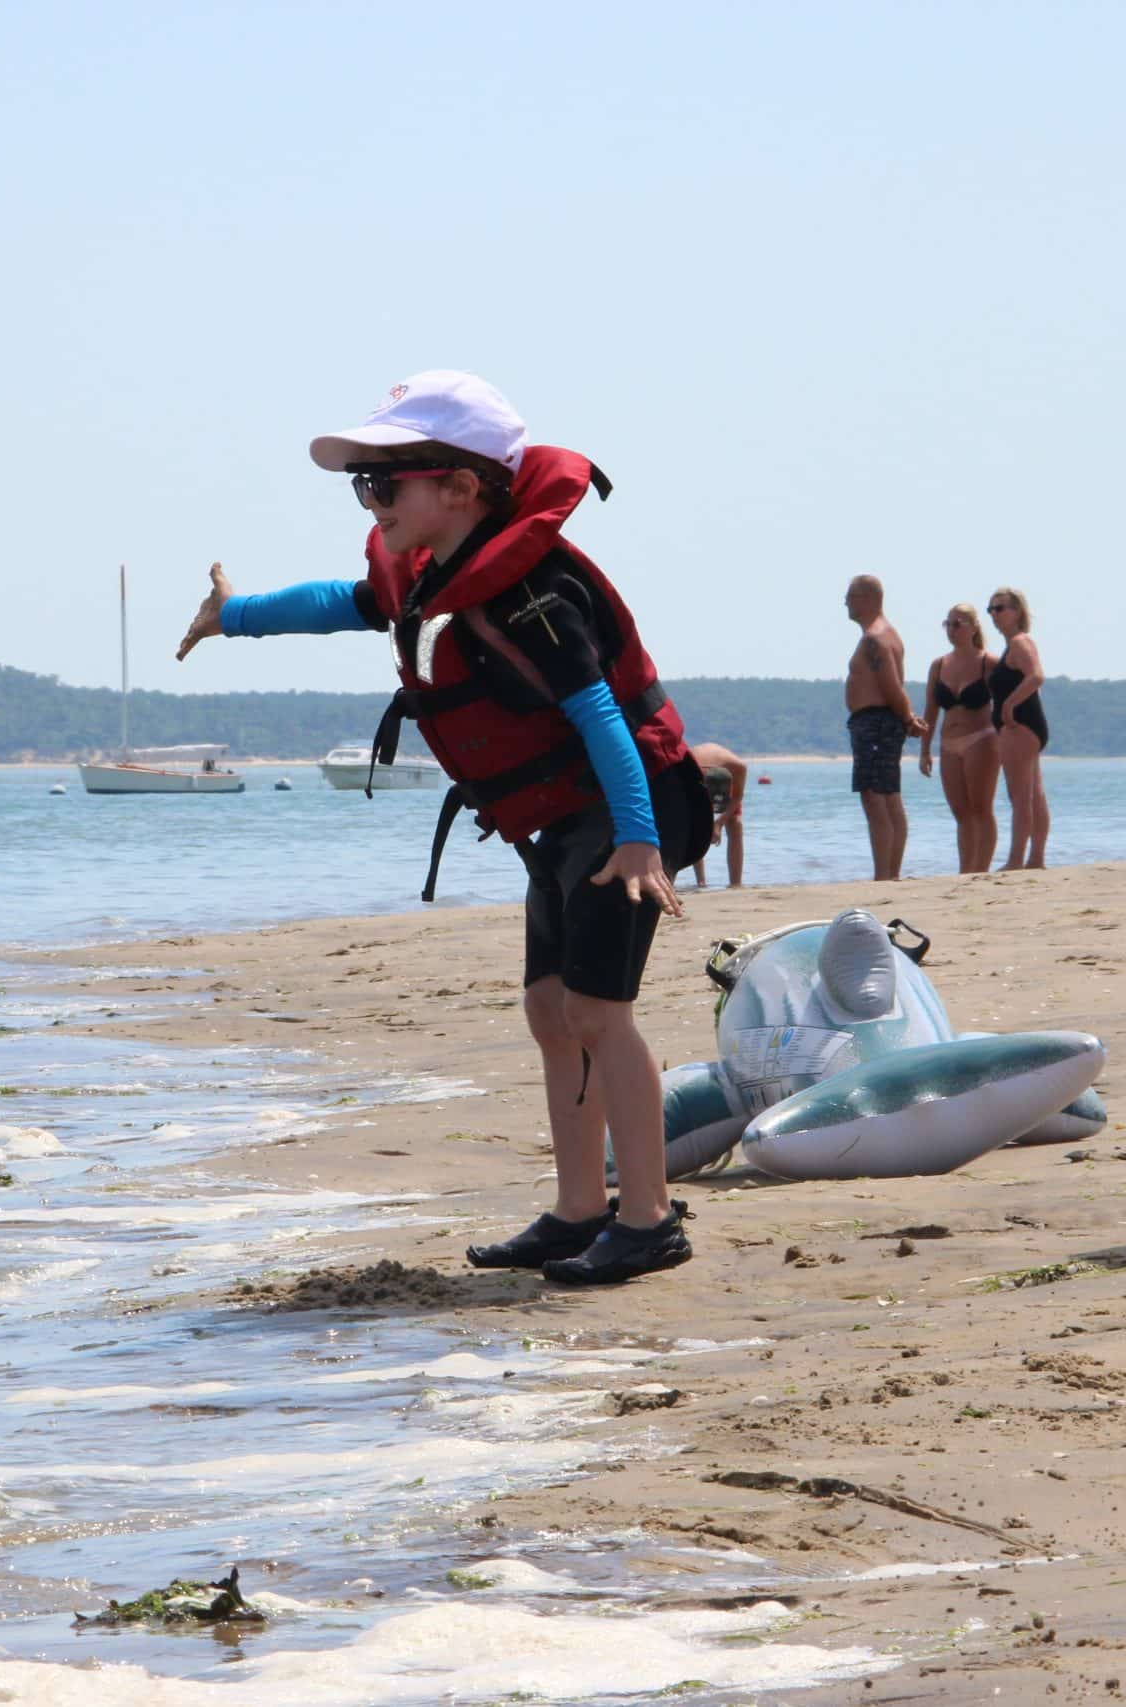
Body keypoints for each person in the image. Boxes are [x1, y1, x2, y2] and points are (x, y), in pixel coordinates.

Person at [176, 370, 712, 1286]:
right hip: (561, 819)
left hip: (629, 810)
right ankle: (580, 1207)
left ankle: (649, 1217)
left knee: (598, 1011)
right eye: (364, 485)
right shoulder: (436, 576)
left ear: (461, 488)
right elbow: (338, 603)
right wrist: (236, 616)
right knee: (551, 1011)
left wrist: (638, 840)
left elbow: (602, 718)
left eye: (385, 484)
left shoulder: (531, 592)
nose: (370, 502)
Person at [843, 575, 926, 881]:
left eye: (850, 596)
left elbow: (890, 685)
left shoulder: (875, 639)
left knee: (876, 795)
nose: (845, 603)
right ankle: (889, 873)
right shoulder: (884, 635)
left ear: (866, 598)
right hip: (879, 721)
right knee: (887, 794)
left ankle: (885, 874)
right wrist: (906, 718)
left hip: (877, 722)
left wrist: (907, 718)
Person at [917, 602, 1000, 873]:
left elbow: (1005, 702)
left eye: (957, 624)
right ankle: (967, 871)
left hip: (982, 738)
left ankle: (982, 869)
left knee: (981, 807)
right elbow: (930, 709)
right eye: (947, 624)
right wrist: (924, 749)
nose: (951, 630)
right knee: (960, 812)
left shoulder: (988, 663)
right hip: (948, 744)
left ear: (973, 627)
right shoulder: (939, 665)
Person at [985, 586, 1052, 869]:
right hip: (1023, 726)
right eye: (991, 609)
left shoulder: (1020, 642)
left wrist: (1009, 705)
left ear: (1017, 611)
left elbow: (1036, 676)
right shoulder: (1012, 644)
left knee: (1020, 795)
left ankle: (1016, 859)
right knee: (1033, 793)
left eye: (1000, 608)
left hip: (1021, 725)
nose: (995, 615)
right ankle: (1035, 858)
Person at [683, 740, 751, 888]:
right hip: (695, 775)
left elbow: (738, 796)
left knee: (736, 823)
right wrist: (707, 826)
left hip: (718, 773)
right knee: (694, 827)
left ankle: (736, 883)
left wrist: (719, 824)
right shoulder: (690, 766)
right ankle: (701, 882)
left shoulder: (738, 767)